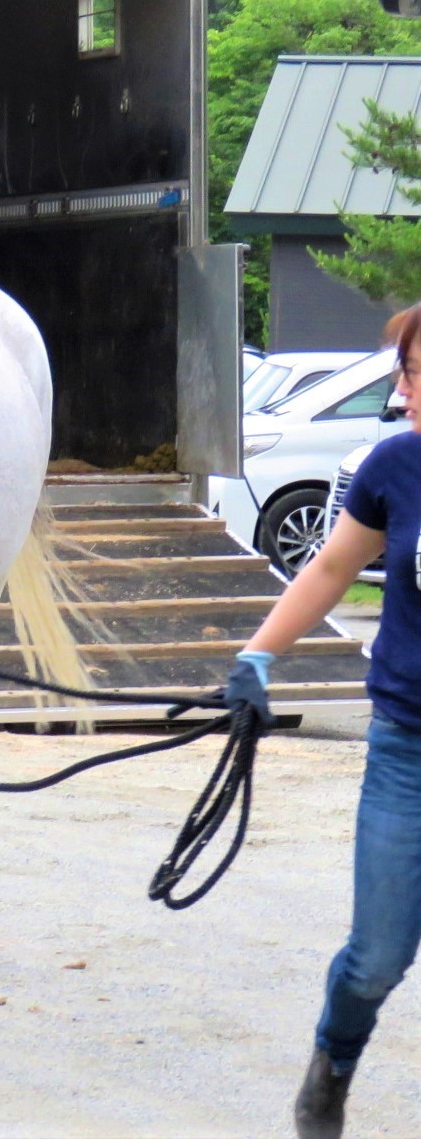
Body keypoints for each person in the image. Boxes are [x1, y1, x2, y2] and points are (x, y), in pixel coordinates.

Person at [223, 300, 421, 1139]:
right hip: (408, 751)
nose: (404, 397)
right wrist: (256, 656)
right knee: (375, 958)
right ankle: (332, 1065)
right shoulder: (394, 467)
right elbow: (333, 566)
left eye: (411, 376)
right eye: (403, 377)